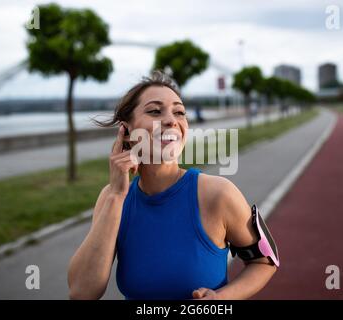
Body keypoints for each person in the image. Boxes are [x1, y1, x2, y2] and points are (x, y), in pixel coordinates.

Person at [67, 70, 277, 300]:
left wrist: (222, 298)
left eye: (179, 112)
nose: (171, 120)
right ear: (126, 131)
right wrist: (116, 195)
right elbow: (81, 292)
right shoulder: (112, 198)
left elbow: (264, 262)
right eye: (155, 111)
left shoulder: (218, 194)